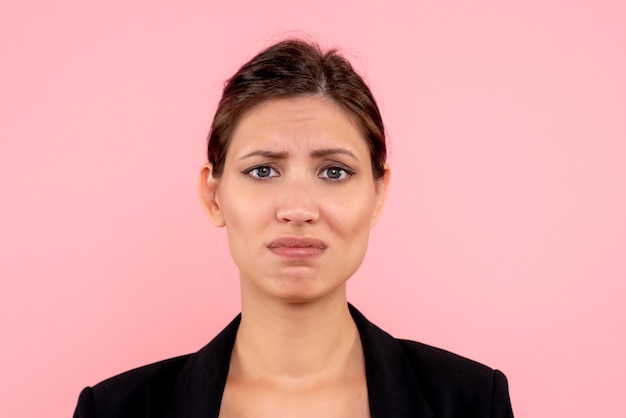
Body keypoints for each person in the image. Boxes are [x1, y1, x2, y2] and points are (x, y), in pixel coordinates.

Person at [73, 39, 514, 418]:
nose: (299, 209)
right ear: (213, 195)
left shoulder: (472, 401)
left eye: (334, 172)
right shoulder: (117, 409)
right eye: (263, 170)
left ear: (378, 194)